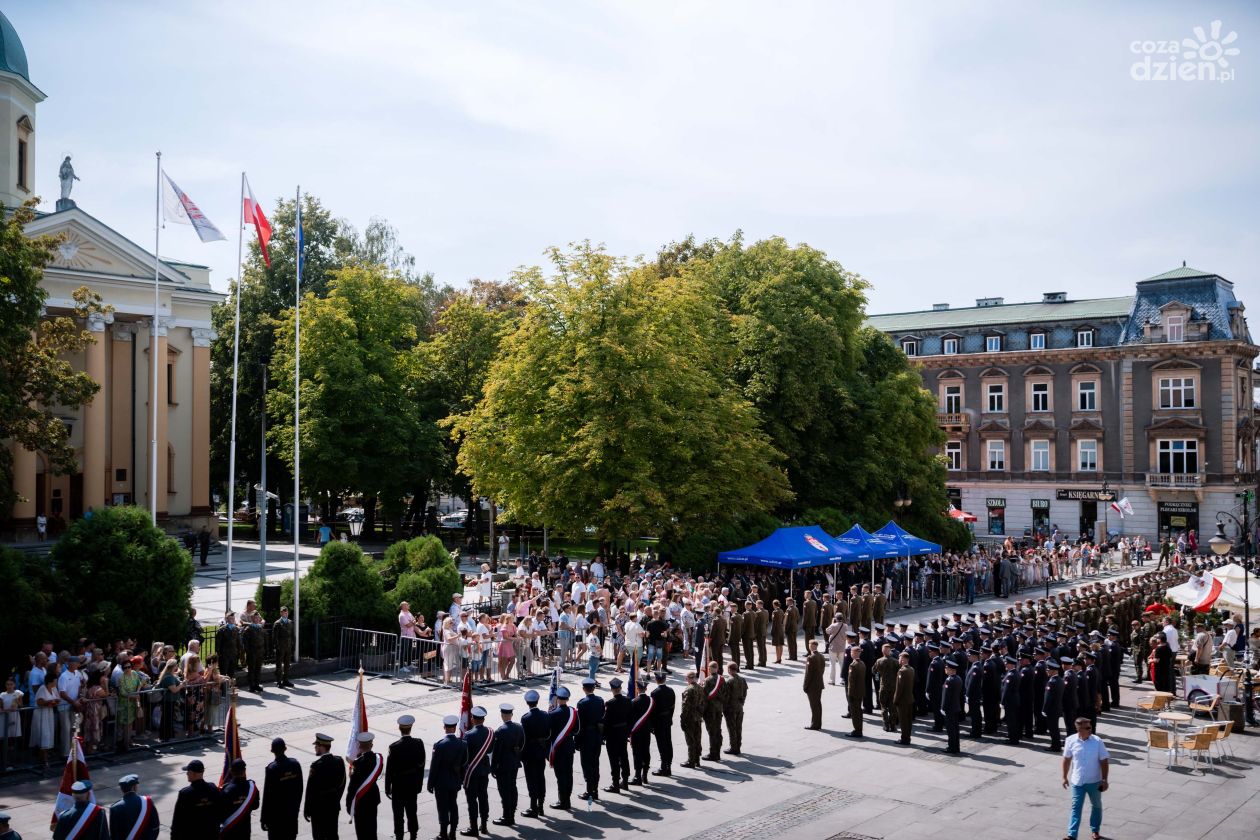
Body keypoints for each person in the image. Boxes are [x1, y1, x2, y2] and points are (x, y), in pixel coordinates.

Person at [1062, 718, 1109, 840]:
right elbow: (1067, 759)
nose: (1090, 729)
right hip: (1077, 782)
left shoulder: (1097, 741)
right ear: (1079, 729)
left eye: (1090, 727)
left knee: (1096, 806)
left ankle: (1095, 830)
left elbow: (1104, 761)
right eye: (1087, 728)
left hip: (1094, 782)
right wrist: (1064, 777)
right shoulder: (1070, 740)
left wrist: (1104, 780)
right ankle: (1071, 835)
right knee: (1075, 807)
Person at [429, 715, 468, 840]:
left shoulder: (439, 745)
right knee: (453, 805)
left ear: (444, 727)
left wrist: (430, 784)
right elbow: (464, 763)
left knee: (443, 808)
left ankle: (443, 833)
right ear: (455, 728)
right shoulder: (462, 744)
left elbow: (434, 767)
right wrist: (460, 778)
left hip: (441, 783)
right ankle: (453, 833)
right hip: (455, 780)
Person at [386, 715, 425, 840]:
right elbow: (421, 766)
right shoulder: (418, 743)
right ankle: (413, 836)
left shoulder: (394, 747)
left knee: (398, 814)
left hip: (398, 785)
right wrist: (419, 785)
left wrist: (388, 787)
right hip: (412, 784)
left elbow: (389, 770)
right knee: (412, 812)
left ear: (399, 728)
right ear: (411, 727)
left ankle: (399, 837)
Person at [304, 734, 345, 840]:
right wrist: (336, 798)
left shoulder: (316, 765)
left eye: (316, 745)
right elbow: (342, 783)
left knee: (318, 836)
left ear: (322, 746)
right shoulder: (339, 761)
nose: (315, 747)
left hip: (318, 808)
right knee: (332, 834)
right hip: (333, 805)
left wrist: (307, 809)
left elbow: (310, 790)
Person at [489, 703, 524, 827]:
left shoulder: (500, 731)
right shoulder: (519, 727)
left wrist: (493, 767)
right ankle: (512, 814)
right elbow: (521, 745)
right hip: (514, 763)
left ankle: (506, 816)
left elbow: (496, 752)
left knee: (504, 791)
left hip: (503, 765)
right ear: (512, 714)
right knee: (512, 788)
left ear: (502, 715)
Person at [261, 739, 303, 840]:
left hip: (276, 818)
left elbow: (267, 796)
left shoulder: (272, 769)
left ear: (273, 751)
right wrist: (296, 808)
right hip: (291, 815)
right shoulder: (295, 764)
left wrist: (264, 819)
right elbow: (300, 789)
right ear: (285, 749)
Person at [172, 760, 222, 840]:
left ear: (194, 773)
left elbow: (178, 822)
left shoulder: (185, 794)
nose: (187, 773)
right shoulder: (213, 789)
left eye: (188, 771)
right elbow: (220, 812)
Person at [346, 732, 382, 840]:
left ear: (359, 746)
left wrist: (349, 804)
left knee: (361, 831)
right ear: (371, 745)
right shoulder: (378, 759)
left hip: (361, 801)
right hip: (373, 798)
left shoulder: (358, 763)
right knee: (372, 828)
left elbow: (353, 787)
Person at [518, 691, 549, 818]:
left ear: (527, 703)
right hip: (541, 751)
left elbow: (523, 739)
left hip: (530, 753)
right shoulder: (545, 715)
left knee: (531, 780)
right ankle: (541, 806)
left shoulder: (525, 718)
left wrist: (520, 755)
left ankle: (533, 807)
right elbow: (548, 733)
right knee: (540, 778)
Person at [547, 686, 577, 810]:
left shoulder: (553, 714)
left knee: (561, 775)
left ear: (558, 699)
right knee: (568, 773)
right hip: (569, 746)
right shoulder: (573, 712)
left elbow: (549, 733)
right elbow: (577, 730)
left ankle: (563, 801)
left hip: (558, 748)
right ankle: (567, 798)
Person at [575, 679, 604, 800]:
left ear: (583, 689)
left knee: (587, 764)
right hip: (597, 735)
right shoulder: (600, 700)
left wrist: (577, 741)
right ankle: (595, 790)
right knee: (595, 763)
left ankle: (589, 791)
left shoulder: (582, 703)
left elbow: (580, 725)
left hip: (586, 736)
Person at [602, 677, 631, 792]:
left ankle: (615, 783)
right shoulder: (628, 701)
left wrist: (603, 736)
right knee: (624, 757)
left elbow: (606, 722)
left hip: (613, 735)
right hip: (623, 733)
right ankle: (625, 781)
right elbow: (630, 718)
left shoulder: (610, 703)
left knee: (614, 759)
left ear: (612, 690)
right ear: (620, 688)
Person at [220, 758, 260, 840]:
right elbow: (255, 806)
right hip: (245, 829)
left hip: (230, 830)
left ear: (231, 771)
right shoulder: (251, 787)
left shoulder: (226, 789)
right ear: (245, 770)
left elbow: (221, 812)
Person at [108, 774, 157, 840]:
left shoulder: (115, 808)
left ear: (121, 789)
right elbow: (155, 827)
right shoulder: (147, 801)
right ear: (134, 787)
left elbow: (114, 835)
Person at [629, 674, 654, 784]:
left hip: (637, 731)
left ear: (637, 688)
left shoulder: (634, 702)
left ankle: (637, 776)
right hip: (646, 730)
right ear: (646, 688)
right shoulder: (651, 701)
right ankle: (645, 775)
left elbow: (631, 718)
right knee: (646, 751)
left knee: (637, 753)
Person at [650, 670, 675, 776]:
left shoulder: (654, 693)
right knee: (668, 742)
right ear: (665, 679)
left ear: (656, 680)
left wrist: (651, 724)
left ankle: (664, 767)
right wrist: (669, 717)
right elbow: (672, 707)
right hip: (667, 719)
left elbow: (652, 711)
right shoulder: (671, 690)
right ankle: (668, 765)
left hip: (658, 721)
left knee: (662, 744)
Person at [701, 662, 727, 758]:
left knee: (712, 731)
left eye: (709, 667)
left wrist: (702, 711)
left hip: (710, 710)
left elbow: (704, 697)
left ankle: (713, 753)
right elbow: (725, 693)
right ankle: (718, 751)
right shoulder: (722, 679)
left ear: (711, 668)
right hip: (719, 708)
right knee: (718, 730)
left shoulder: (707, 680)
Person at [679, 672, 704, 768]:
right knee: (697, 738)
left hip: (690, 718)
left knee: (690, 740)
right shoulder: (700, 688)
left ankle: (691, 761)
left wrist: (682, 719)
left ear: (687, 678)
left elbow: (685, 706)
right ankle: (697, 759)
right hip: (698, 717)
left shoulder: (689, 690)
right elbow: (703, 703)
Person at [723, 662, 748, 755]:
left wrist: (724, 707)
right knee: (738, 727)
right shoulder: (742, 679)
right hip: (739, 707)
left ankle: (734, 747)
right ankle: (738, 745)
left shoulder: (729, 681)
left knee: (731, 728)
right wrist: (742, 702)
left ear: (729, 669)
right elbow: (745, 692)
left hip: (730, 708)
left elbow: (726, 695)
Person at [941, 658, 963, 754]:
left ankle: (952, 747)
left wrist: (943, 708)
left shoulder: (949, 680)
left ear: (951, 669)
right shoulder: (958, 678)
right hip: (956, 707)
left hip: (949, 708)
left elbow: (946, 696)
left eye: (946, 668)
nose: (945, 669)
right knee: (955, 729)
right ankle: (956, 747)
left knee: (950, 729)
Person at [802, 640, 825, 730]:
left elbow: (808, 674)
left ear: (811, 646)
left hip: (812, 686)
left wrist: (805, 685)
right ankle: (818, 723)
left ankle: (815, 724)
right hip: (819, 684)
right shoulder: (821, 656)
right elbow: (822, 670)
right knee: (818, 705)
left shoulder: (810, 658)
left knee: (814, 705)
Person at [893, 652, 915, 745]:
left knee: (903, 721)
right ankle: (907, 737)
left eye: (900, 658)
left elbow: (899, 688)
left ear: (903, 659)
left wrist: (895, 699)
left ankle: (904, 738)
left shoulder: (902, 671)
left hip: (902, 700)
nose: (899, 660)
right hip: (910, 698)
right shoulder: (911, 669)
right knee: (908, 720)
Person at [1043, 660, 1064, 752]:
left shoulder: (1052, 682)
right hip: (1057, 708)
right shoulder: (1060, 680)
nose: (1047, 671)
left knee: (1053, 729)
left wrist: (1044, 709)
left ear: (1053, 671)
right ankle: (1057, 744)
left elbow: (1048, 698)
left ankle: (1055, 746)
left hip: (1052, 709)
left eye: (1048, 670)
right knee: (1055, 728)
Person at [845, 645, 866, 738]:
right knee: (859, 711)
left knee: (855, 712)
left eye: (851, 652)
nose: (850, 653)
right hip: (860, 691)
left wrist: (850, 694)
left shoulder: (853, 665)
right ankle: (859, 729)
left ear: (854, 653)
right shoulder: (862, 663)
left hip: (854, 693)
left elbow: (851, 682)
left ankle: (857, 730)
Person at [272, 607, 295, 688]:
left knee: (287, 665)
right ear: (281, 613)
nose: (285, 613)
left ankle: (286, 680)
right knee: (279, 665)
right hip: (280, 647)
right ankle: (279, 681)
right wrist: (275, 647)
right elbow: (275, 637)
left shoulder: (290, 622)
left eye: (286, 612)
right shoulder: (277, 623)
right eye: (283, 612)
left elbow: (292, 635)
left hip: (288, 647)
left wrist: (293, 645)